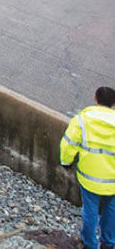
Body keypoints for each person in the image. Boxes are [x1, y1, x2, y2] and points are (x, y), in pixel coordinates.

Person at [61, 86, 115, 249]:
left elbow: (68, 145)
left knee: (90, 210)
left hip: (89, 176)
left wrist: (66, 162)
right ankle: (108, 242)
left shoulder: (82, 119)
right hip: (113, 179)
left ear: (95, 98)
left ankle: (90, 243)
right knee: (111, 210)